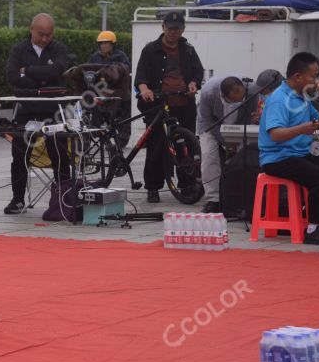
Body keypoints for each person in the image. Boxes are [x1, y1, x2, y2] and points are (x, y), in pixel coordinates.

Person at [259, 52, 319, 245]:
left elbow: (318, 123)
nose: (316, 80)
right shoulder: (279, 99)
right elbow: (276, 134)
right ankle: (314, 228)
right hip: (277, 158)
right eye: (314, 75)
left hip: (299, 154)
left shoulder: (302, 97)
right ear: (298, 76)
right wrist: (302, 128)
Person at [4, 13, 71, 216]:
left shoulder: (59, 48)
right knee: (19, 154)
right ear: (31, 29)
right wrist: (43, 77)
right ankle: (17, 199)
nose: (44, 39)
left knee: (59, 152)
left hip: (53, 111)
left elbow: (58, 71)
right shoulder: (18, 49)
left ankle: (64, 196)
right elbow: (13, 76)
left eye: (48, 35)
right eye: (40, 34)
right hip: (26, 111)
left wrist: (29, 71)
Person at [134, 11, 204, 203]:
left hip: (184, 102)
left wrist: (193, 84)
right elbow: (140, 76)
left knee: (186, 145)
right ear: (163, 27)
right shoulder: (150, 50)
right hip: (157, 104)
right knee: (156, 145)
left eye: (178, 28)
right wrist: (144, 89)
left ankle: (187, 184)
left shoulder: (188, 49)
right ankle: (153, 187)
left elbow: (198, 73)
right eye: (171, 28)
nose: (174, 32)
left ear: (183, 30)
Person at [196, 70, 282, 213]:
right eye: (235, 100)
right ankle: (213, 199)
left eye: (241, 97)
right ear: (224, 96)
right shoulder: (208, 93)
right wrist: (224, 141)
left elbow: (250, 114)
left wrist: (254, 120)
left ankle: (244, 196)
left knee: (247, 154)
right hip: (212, 124)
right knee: (209, 156)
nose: (240, 100)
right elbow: (207, 120)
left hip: (240, 123)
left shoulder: (250, 89)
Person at [87, 30, 132, 146]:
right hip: (101, 90)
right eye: (101, 43)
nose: (103, 45)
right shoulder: (95, 57)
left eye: (106, 43)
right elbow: (88, 69)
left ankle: (123, 137)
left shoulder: (121, 56)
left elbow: (126, 69)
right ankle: (92, 131)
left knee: (125, 104)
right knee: (90, 101)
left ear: (113, 44)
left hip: (118, 90)